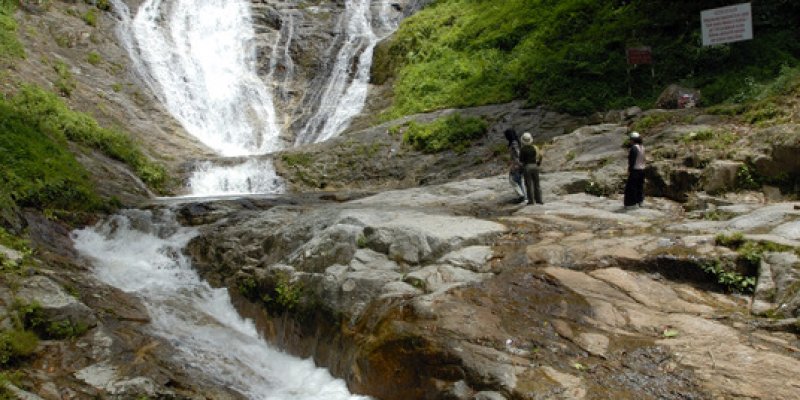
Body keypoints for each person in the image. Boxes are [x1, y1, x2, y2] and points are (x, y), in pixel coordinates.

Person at [519, 132, 543, 205]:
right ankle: (539, 200)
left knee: (529, 185)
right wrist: (538, 163)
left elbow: (521, 160)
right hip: (535, 166)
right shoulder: (535, 147)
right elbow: (541, 155)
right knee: (537, 184)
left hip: (527, 167)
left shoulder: (522, 149)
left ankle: (531, 201)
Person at [624, 131, 645, 209]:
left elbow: (632, 160)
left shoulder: (633, 148)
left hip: (635, 170)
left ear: (633, 140)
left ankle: (631, 204)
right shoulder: (642, 147)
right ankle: (640, 201)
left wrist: (629, 169)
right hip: (642, 170)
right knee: (640, 186)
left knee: (631, 187)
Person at [504, 129, 525, 200]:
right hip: (520, 164)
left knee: (512, 180)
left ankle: (521, 195)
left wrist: (517, 164)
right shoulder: (517, 142)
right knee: (518, 180)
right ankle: (524, 196)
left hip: (517, 164)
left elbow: (518, 153)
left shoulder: (513, 143)